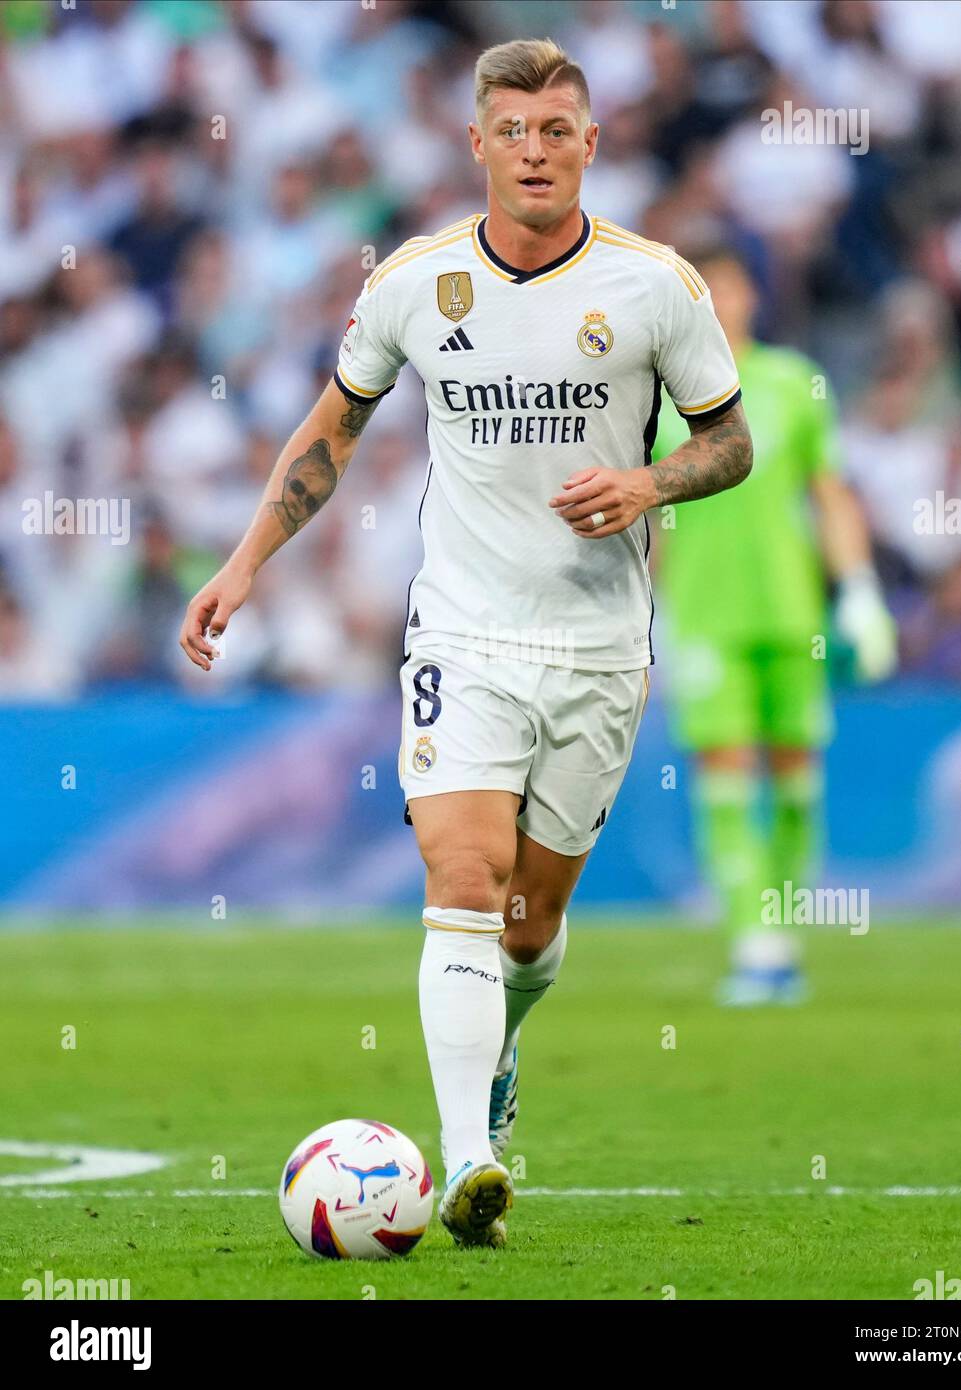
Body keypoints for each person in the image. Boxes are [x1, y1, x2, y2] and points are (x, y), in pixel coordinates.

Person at [178, 39, 752, 1248]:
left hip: (600, 646)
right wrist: (241, 566)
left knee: (530, 931)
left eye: (557, 131)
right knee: (463, 880)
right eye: (513, 131)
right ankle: (469, 1159)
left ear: (590, 145)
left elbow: (728, 443)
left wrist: (649, 484)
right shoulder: (413, 283)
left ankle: (498, 1060)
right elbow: (329, 431)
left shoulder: (657, 287)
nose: (534, 152)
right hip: (463, 631)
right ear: (476, 144)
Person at [652, 248, 896, 1007]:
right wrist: (644, 615)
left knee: (796, 785)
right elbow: (648, 514)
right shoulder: (657, 396)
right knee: (724, 778)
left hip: (794, 617)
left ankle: (782, 928)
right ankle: (753, 940)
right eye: (702, 289)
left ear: (750, 294)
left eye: (727, 284)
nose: (719, 301)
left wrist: (858, 590)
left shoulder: (793, 385)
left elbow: (829, 493)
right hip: (705, 618)